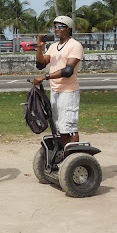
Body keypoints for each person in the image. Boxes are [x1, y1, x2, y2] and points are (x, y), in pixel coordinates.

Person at [32, 15, 84, 147]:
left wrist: (45, 77)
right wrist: (39, 48)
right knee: (59, 127)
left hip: (68, 91)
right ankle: (64, 157)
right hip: (55, 90)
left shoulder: (75, 46)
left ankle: (72, 157)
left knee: (69, 128)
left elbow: (68, 71)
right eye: (55, 27)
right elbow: (41, 64)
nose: (57, 29)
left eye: (61, 26)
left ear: (69, 29)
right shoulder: (54, 46)